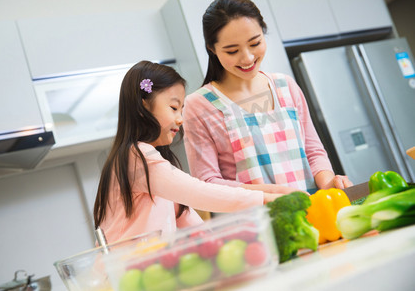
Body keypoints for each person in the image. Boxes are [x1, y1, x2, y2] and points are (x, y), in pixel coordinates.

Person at [93, 60, 295, 243]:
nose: (181, 119)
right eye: (173, 108)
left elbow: (194, 226)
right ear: (143, 107)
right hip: (121, 278)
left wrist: (273, 191)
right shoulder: (138, 156)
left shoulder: (148, 164)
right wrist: (268, 197)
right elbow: (201, 193)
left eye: (181, 110)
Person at [183, 0, 352, 195]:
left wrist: (328, 182)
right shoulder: (199, 105)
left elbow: (313, 151)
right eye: (232, 51)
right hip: (257, 222)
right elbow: (208, 182)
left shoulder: (285, 86)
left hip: (315, 213)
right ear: (212, 49)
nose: (247, 58)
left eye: (255, 43)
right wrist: (272, 194)